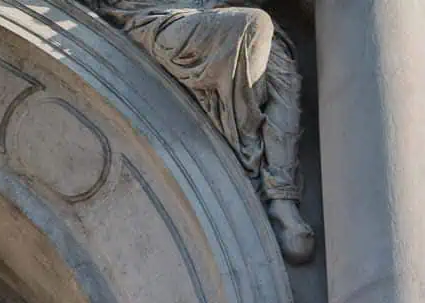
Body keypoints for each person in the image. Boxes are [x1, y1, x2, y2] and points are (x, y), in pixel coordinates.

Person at [86, 0, 315, 262]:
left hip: (208, 11)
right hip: (157, 16)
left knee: (281, 68)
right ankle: (248, 148)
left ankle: (280, 194)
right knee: (254, 26)